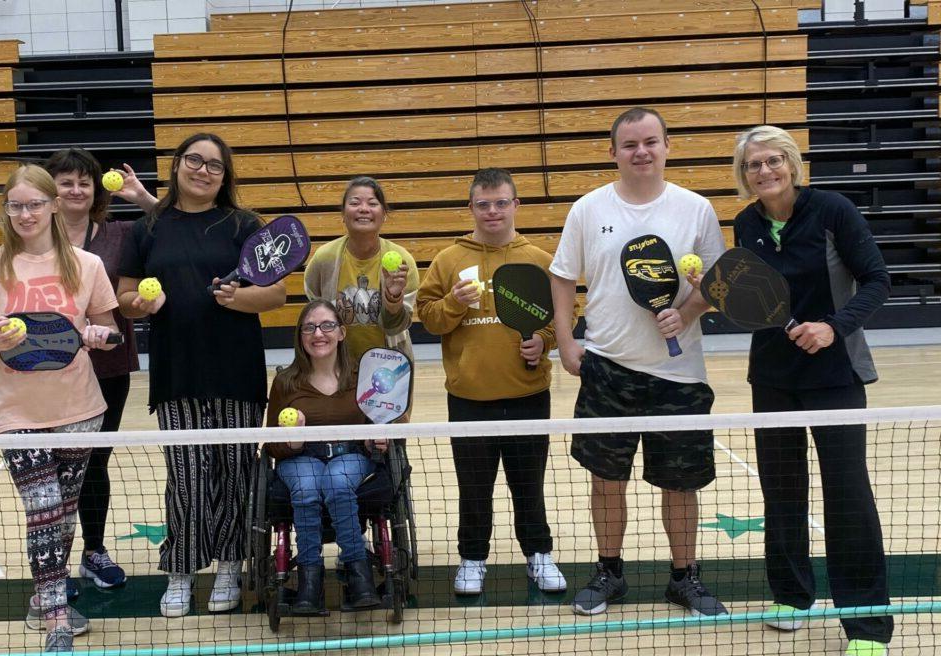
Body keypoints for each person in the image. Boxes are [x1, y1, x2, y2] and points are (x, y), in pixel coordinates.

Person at [549, 107, 727, 617]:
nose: (641, 152)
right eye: (630, 145)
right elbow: (562, 276)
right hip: (608, 368)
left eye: (651, 142)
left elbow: (715, 281)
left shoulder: (695, 208)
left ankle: (685, 578)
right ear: (613, 152)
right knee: (606, 480)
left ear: (667, 146)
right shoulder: (587, 208)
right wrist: (566, 340)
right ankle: (609, 571)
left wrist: (687, 312)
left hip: (681, 374)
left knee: (682, 482)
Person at [731, 125, 893, 656]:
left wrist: (832, 327)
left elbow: (876, 280)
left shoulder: (833, 210)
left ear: (792, 164)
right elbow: (753, 297)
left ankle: (867, 623)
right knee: (781, 492)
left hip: (835, 374)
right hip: (773, 376)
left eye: (773, 160)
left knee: (847, 496)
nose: (764, 171)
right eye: (753, 165)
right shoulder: (748, 223)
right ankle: (793, 594)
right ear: (744, 175)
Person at [0, 165, 121, 656]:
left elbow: (112, 330)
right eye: (15, 205)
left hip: (81, 410)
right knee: (43, 510)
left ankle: (44, 594)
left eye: (34, 204)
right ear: (5, 210)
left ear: (53, 205)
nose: (25, 214)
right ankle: (55, 622)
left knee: (63, 514)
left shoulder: (87, 264)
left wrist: (99, 336)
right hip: (19, 416)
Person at [117, 133, 286, 618]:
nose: (203, 170)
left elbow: (275, 295)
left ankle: (231, 566)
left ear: (224, 176)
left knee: (235, 474)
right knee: (186, 477)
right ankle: (182, 570)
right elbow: (126, 298)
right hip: (177, 371)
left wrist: (239, 299)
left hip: (236, 369)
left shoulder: (244, 226)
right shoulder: (147, 228)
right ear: (177, 165)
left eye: (214, 165)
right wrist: (140, 304)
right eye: (195, 160)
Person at [417, 168, 566, 596]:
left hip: (527, 394)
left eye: (502, 202)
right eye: (483, 204)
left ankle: (539, 555)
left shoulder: (538, 259)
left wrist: (544, 341)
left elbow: (563, 315)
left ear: (516, 205)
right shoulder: (448, 260)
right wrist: (452, 303)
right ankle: (472, 558)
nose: (493, 211)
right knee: (473, 487)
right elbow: (428, 318)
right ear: (471, 208)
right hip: (469, 397)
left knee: (529, 483)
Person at [44, 147, 158, 592]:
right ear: (50, 190)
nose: (75, 189)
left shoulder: (122, 234)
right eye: (66, 181)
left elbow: (172, 225)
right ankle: (55, 562)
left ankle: (93, 551)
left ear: (96, 190)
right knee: (54, 469)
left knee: (94, 463)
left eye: (84, 182)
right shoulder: (34, 236)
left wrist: (142, 197)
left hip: (109, 366)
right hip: (46, 370)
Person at [264, 299, 383, 614]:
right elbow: (269, 445)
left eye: (327, 325)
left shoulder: (362, 377)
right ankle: (309, 584)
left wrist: (379, 437)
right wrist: (292, 441)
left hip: (351, 454)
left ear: (342, 333)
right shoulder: (286, 382)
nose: (319, 333)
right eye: (309, 327)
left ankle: (360, 578)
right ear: (301, 336)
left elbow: (383, 422)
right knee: (305, 488)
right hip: (300, 458)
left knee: (337, 481)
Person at [303, 176, 418, 364]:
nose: (363, 209)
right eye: (355, 203)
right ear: (343, 213)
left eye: (372, 203)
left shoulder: (402, 261)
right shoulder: (324, 258)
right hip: (335, 364)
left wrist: (393, 298)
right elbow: (315, 313)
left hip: (388, 364)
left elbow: (394, 328)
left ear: (384, 214)